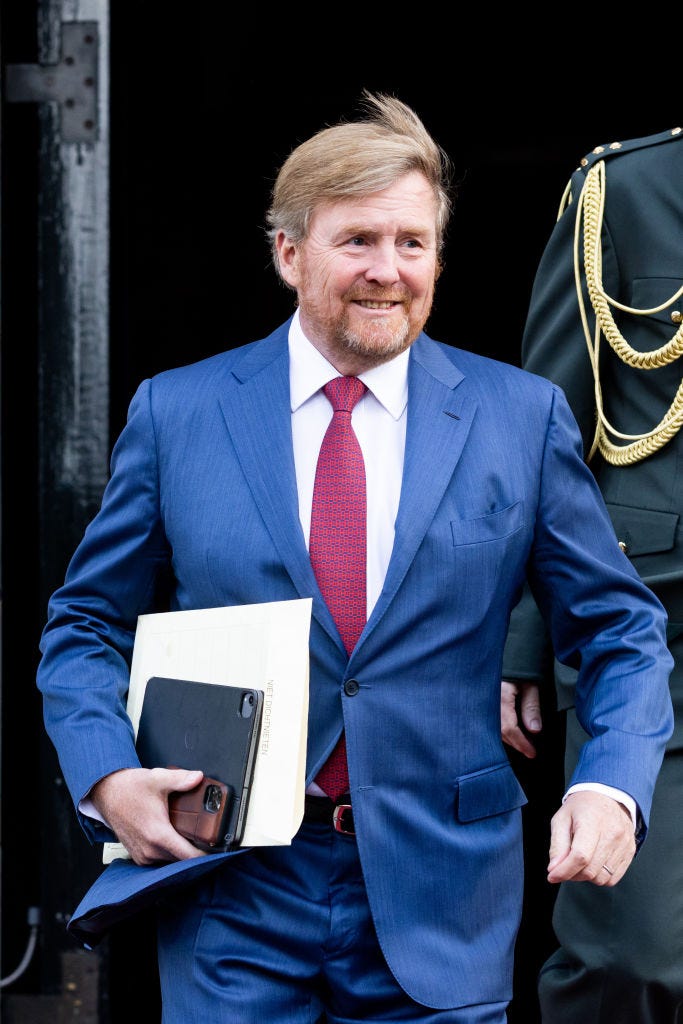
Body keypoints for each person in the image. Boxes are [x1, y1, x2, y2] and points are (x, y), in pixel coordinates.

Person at [37, 92, 674, 1024]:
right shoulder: (178, 413)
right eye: (358, 241)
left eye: (412, 244)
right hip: (232, 891)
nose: (389, 271)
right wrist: (104, 773)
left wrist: (611, 782)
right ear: (288, 253)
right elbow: (85, 624)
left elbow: (621, 629)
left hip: (443, 897)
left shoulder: (518, 418)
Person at [502, 124, 683, 1022]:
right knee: (630, 960)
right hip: (656, 634)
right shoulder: (627, 190)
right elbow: (552, 431)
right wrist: (526, 635)